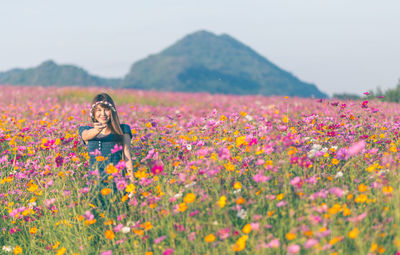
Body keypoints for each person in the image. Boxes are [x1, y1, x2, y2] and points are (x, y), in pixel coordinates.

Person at [78, 93, 134, 186]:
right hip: (94, 185)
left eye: (106, 109)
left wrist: (132, 186)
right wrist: (97, 130)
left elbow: (127, 158)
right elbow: (85, 136)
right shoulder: (85, 130)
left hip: (117, 184)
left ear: (112, 111)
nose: (103, 114)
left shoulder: (123, 130)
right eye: (99, 110)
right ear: (93, 113)